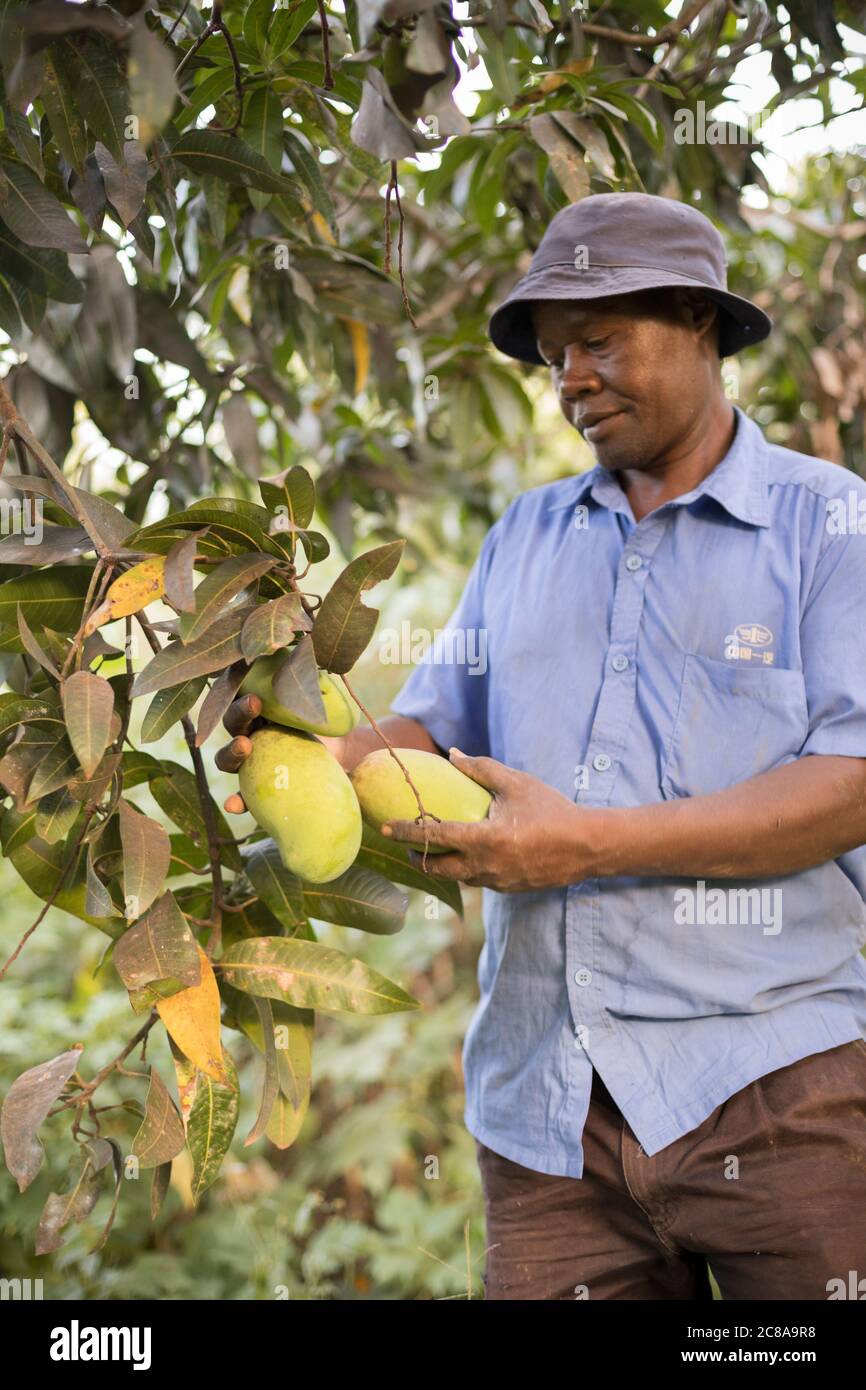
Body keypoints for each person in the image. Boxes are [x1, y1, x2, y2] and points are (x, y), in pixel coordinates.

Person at [217, 193, 866, 1301]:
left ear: (698, 323)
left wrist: (586, 846)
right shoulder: (525, 532)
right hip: (545, 1112)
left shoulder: (829, 526)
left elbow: (850, 786)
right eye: (558, 353)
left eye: (598, 341)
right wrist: (299, 757)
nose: (568, 378)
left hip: (778, 1091)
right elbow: (429, 727)